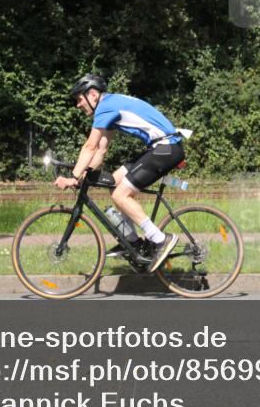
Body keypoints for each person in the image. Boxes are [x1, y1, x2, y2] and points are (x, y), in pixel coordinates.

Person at [54, 73, 185, 273]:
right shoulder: (110, 106)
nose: (78, 105)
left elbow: (89, 146)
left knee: (120, 194)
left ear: (93, 95)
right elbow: (100, 151)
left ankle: (160, 239)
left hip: (166, 147)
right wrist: (82, 177)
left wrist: (73, 176)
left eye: (80, 99)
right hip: (160, 147)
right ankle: (133, 242)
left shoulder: (105, 107)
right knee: (113, 182)